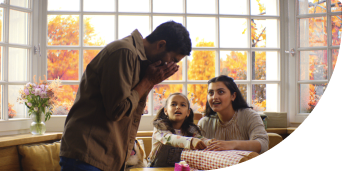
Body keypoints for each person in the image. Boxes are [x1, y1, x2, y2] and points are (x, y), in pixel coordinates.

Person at [59, 21, 192, 171]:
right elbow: (117, 110)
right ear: (161, 45)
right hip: (87, 155)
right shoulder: (124, 52)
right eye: (173, 60)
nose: (171, 66)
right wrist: (148, 81)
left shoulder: (139, 62)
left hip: (102, 157)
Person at [198, 75, 269, 155]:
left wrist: (231, 144)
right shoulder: (204, 123)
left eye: (220, 92)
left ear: (233, 96)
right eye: (211, 93)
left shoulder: (250, 116)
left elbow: (263, 144)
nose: (214, 97)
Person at [147, 93, 212, 167]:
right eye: (173, 104)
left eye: (183, 105)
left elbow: (201, 140)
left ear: (188, 112)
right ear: (166, 111)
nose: (178, 107)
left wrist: (209, 142)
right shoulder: (160, 127)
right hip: (156, 168)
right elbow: (168, 138)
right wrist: (191, 141)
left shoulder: (191, 129)